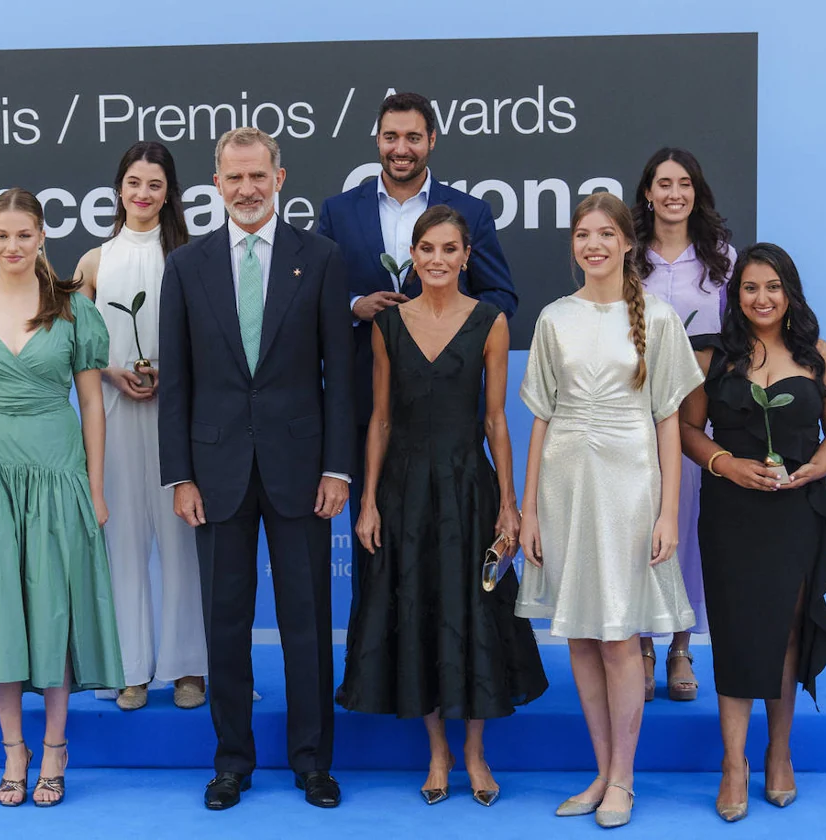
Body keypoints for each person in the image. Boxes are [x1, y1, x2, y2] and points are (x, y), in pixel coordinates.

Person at [158, 127, 355, 811]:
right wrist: (179, 474)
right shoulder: (185, 265)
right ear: (216, 184)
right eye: (233, 178)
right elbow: (177, 382)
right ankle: (231, 762)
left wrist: (338, 468)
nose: (246, 189)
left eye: (258, 176)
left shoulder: (322, 258)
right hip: (214, 474)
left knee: (307, 622)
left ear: (280, 177)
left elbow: (341, 376)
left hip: (302, 469)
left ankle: (312, 762)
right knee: (225, 625)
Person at [341, 205, 547, 806]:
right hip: (403, 491)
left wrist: (508, 505)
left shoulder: (491, 321)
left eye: (450, 249)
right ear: (414, 255)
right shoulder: (388, 326)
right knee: (420, 611)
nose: (437, 260)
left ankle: (476, 754)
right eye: (426, 249)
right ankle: (437, 753)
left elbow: (494, 421)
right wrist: (369, 501)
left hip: (466, 488)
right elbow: (379, 419)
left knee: (475, 615)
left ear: (465, 257)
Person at [515, 192, 701, 828]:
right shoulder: (552, 319)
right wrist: (529, 510)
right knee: (584, 639)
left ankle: (625, 779)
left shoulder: (661, 317)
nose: (592, 244)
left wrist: (668, 512)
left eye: (605, 233)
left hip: (630, 490)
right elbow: (539, 417)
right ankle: (601, 772)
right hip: (563, 487)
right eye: (582, 234)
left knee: (621, 636)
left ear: (627, 242)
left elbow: (670, 425)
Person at [317, 91, 515, 680]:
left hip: (448, 414)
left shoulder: (470, 213)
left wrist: (440, 309)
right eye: (390, 137)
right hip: (369, 406)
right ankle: (382, 675)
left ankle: (460, 675)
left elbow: (502, 297)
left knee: (456, 559)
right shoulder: (338, 211)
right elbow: (318, 302)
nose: (400, 148)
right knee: (379, 546)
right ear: (376, 141)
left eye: (412, 137)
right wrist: (360, 307)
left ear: (432, 141)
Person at [0, 188, 124, 807]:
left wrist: (95, 490)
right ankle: (13, 751)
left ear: (42, 238)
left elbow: (93, 404)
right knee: (3, 614)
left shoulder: (73, 310)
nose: (12, 246)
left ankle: (55, 750)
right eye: (2, 236)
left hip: (58, 475)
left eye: (24, 235)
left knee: (53, 610)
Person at [679, 243, 826, 822]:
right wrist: (727, 464)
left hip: (796, 510)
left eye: (773, 287)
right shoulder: (714, 357)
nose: (762, 298)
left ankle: (779, 751)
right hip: (730, 514)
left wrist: (816, 467)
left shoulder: (818, 356)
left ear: (789, 293)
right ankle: (734, 763)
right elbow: (687, 428)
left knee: (783, 632)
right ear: (735, 296)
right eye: (750, 287)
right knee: (733, 633)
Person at [73, 141, 207, 711]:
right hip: (114, 417)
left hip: (181, 418)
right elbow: (74, 344)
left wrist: (170, 376)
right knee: (121, 541)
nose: (143, 194)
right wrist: (112, 373)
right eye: (134, 183)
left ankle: (187, 668)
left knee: (183, 544)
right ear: (119, 189)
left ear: (169, 192)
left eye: (154, 184)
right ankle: (129, 667)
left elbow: (212, 342)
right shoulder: (93, 262)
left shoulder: (195, 256)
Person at [632, 147, 738, 702]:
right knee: (637, 527)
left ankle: (678, 646)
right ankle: (641, 646)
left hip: (694, 414)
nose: (674, 193)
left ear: (696, 192)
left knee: (685, 527)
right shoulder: (629, 256)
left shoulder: (720, 256)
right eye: (663, 183)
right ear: (647, 192)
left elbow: (734, 336)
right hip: (630, 411)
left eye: (684, 183)